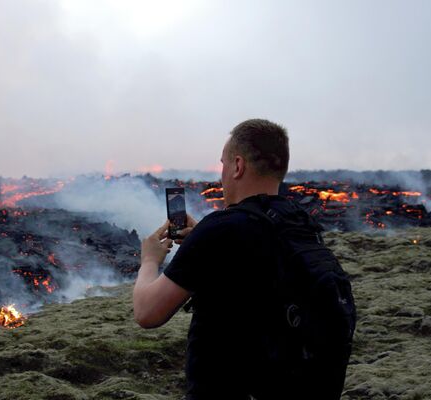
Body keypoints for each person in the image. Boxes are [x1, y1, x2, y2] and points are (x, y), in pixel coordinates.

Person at [133, 119, 354, 399]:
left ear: (238, 166)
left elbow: (146, 312)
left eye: (223, 164)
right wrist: (202, 237)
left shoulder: (221, 229)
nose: (221, 174)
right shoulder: (299, 223)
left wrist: (150, 261)